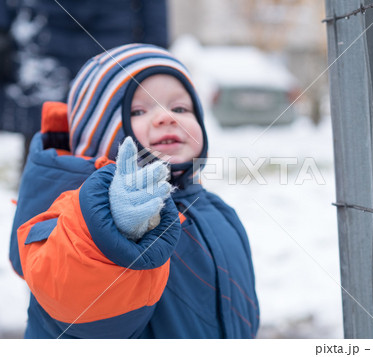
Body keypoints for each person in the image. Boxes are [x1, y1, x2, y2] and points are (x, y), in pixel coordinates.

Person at [9, 43, 260, 338]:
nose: (167, 117)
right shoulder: (74, 223)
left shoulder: (215, 211)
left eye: (180, 107)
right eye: (139, 110)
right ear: (98, 135)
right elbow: (80, 307)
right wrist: (114, 233)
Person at [0, 0, 168, 166]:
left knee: (110, 136)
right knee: (46, 133)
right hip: (45, 41)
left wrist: (154, 52)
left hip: (107, 44)